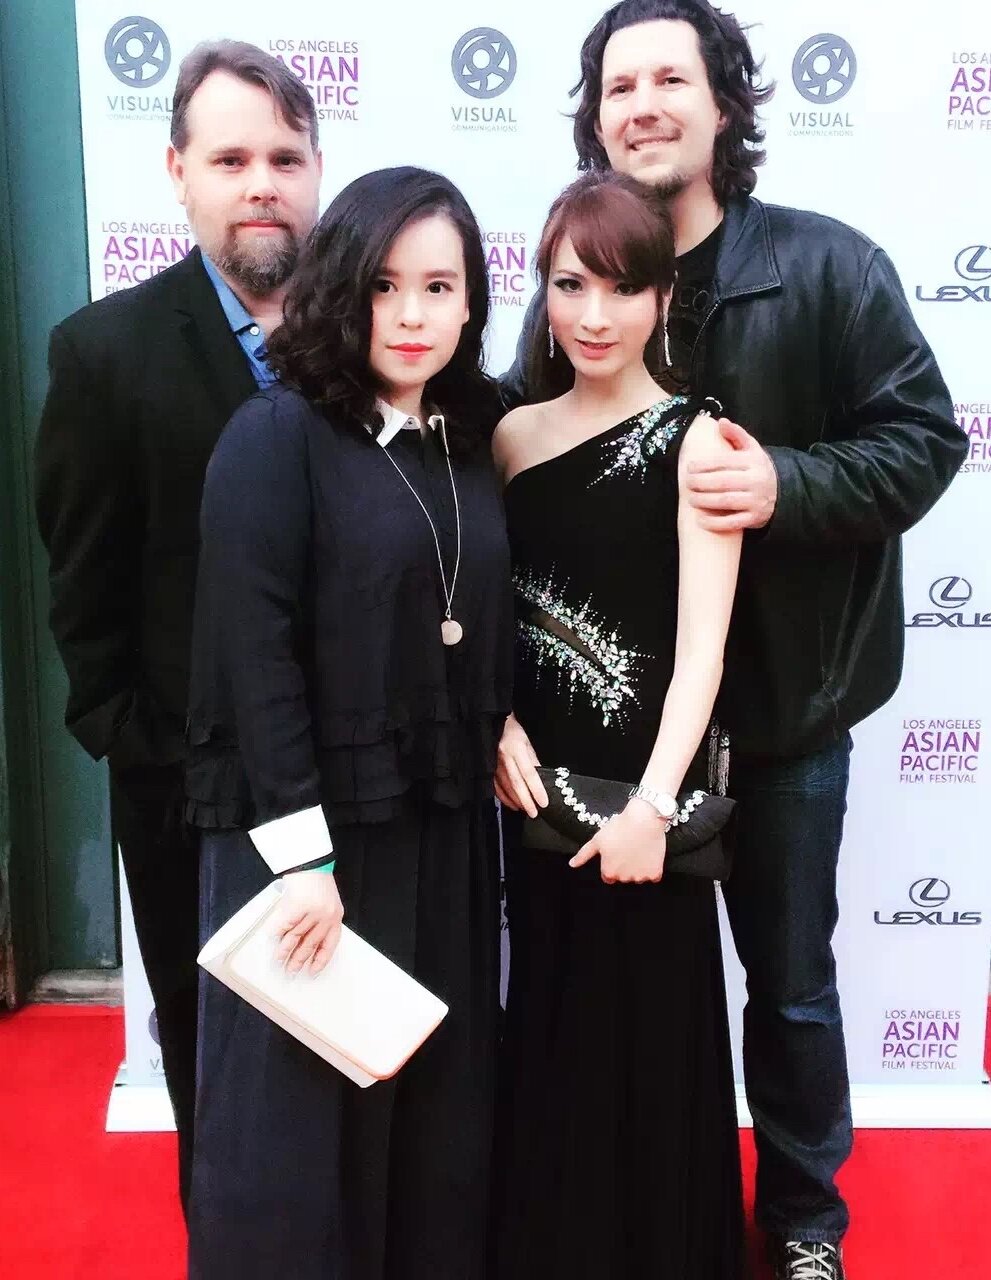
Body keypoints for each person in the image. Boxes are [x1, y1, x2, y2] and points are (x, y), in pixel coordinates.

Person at [500, 4, 968, 1277]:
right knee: (619, 997)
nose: (642, 103)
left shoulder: (829, 267)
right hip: (611, 734)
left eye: (671, 78)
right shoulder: (573, 280)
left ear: (724, 106)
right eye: (618, 85)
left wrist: (785, 484)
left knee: (791, 983)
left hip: (782, 709)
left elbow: (926, 439)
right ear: (595, 116)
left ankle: (805, 1224)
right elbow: (525, 477)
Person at [183, 165, 513, 1280]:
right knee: (296, 1135)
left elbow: (463, 612)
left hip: (439, 822)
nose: (411, 314)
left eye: (439, 286)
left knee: (433, 1110)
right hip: (308, 841)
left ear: (471, 303)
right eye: (383, 285)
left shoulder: (468, 440)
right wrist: (301, 859)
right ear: (340, 286)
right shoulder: (276, 435)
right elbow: (253, 659)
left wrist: (497, 718)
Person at [34, 40, 322, 1213]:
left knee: (360, 1041)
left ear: (315, 173)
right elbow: (84, 579)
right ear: (178, 171)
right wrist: (139, 741)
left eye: (286, 158)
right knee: (217, 1056)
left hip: (360, 775)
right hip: (186, 788)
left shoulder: (374, 335)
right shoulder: (104, 353)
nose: (262, 184)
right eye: (231, 158)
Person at [493, 169, 745, 1280]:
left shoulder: (699, 440)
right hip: (536, 800)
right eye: (569, 285)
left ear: (661, 298)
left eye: (621, 288)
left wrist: (650, 807)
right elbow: (476, 610)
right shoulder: (509, 437)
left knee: (648, 1046)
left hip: (650, 814)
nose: (593, 315)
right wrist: (496, 720)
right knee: (551, 1031)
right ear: (542, 291)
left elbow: (703, 653)